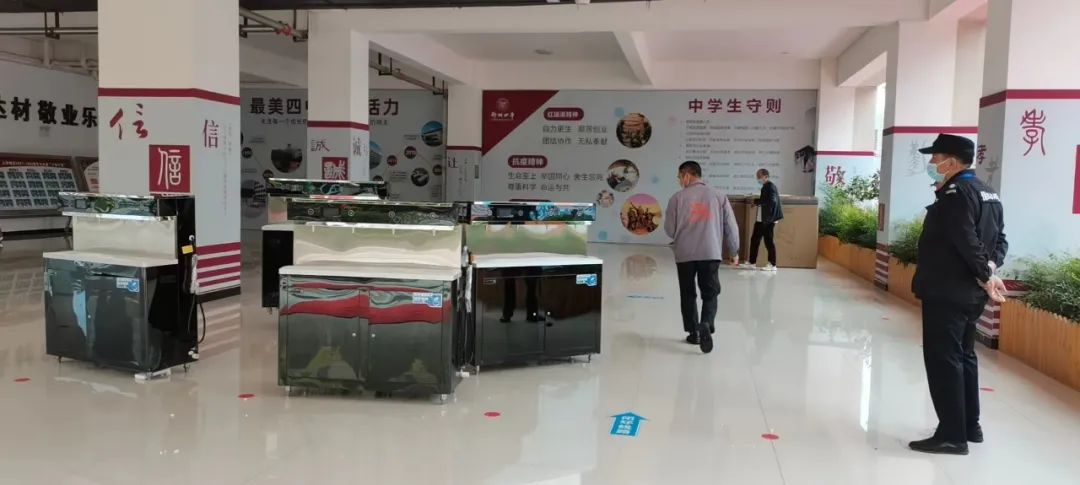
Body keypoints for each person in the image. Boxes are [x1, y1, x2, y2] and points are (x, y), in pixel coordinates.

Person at [908, 134, 1008, 456]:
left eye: (935, 158)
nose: (931, 163)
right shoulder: (987, 192)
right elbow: (1000, 240)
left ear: (951, 162)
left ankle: (952, 435)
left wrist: (985, 274)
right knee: (964, 356)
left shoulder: (955, 193)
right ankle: (969, 426)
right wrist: (989, 270)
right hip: (969, 293)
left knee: (944, 360)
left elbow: (965, 239)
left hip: (947, 290)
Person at [664, 161, 740, 354]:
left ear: (686, 175)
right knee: (710, 292)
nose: (679, 181)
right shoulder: (719, 196)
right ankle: (706, 323)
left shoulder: (676, 198)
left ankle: (694, 332)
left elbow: (669, 230)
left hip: (685, 254)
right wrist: (734, 251)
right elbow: (731, 227)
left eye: (679, 177)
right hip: (710, 252)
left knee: (687, 293)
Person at [742, 168, 783, 271]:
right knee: (755, 239)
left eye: (759, 177)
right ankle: (752, 262)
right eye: (757, 177)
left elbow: (772, 201)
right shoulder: (766, 186)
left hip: (768, 219)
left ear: (766, 176)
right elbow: (766, 200)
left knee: (768, 241)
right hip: (762, 218)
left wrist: (756, 201)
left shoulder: (770, 186)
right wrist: (757, 201)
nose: (758, 179)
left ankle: (772, 264)